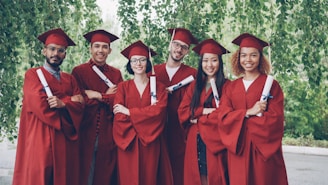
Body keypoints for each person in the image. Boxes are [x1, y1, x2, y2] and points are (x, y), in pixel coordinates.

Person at [12, 28, 84, 185]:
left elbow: (81, 105)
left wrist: (64, 103)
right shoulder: (32, 75)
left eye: (60, 50)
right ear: (44, 51)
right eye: (52, 49)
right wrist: (70, 101)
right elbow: (41, 105)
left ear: (65, 54)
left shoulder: (70, 79)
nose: (55, 54)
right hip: (40, 138)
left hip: (64, 142)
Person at [217, 33, 288, 185]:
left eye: (253, 55)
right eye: (243, 55)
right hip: (238, 148)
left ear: (260, 58)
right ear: (238, 58)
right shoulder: (230, 87)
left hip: (262, 150)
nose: (248, 60)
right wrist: (248, 113)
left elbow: (276, 119)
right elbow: (223, 116)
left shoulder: (271, 86)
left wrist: (242, 122)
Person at [113, 40, 173, 185]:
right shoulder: (122, 87)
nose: (138, 63)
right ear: (130, 64)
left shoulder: (159, 88)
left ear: (148, 62)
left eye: (142, 60)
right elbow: (118, 115)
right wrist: (142, 118)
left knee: (149, 177)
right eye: (134, 60)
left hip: (151, 142)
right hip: (129, 143)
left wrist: (129, 112)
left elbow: (159, 113)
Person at [71, 29, 123, 185]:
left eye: (104, 47)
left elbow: (119, 102)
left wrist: (99, 96)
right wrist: (106, 96)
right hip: (85, 130)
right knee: (84, 174)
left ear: (110, 50)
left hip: (108, 133)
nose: (101, 50)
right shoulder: (79, 72)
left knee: (105, 175)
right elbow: (79, 101)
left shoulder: (116, 74)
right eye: (97, 46)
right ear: (90, 48)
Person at [178, 39, 230, 185]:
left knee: (214, 177)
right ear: (201, 63)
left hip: (215, 140)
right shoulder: (195, 86)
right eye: (205, 60)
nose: (209, 65)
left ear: (220, 62)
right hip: (195, 140)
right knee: (196, 177)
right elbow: (183, 111)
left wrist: (197, 117)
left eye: (214, 60)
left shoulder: (227, 86)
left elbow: (224, 114)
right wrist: (205, 110)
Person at [152, 27, 198, 185]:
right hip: (155, 129)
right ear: (170, 44)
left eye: (184, 47)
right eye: (176, 44)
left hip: (180, 130)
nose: (179, 49)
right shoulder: (153, 71)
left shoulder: (193, 74)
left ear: (187, 51)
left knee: (179, 172)